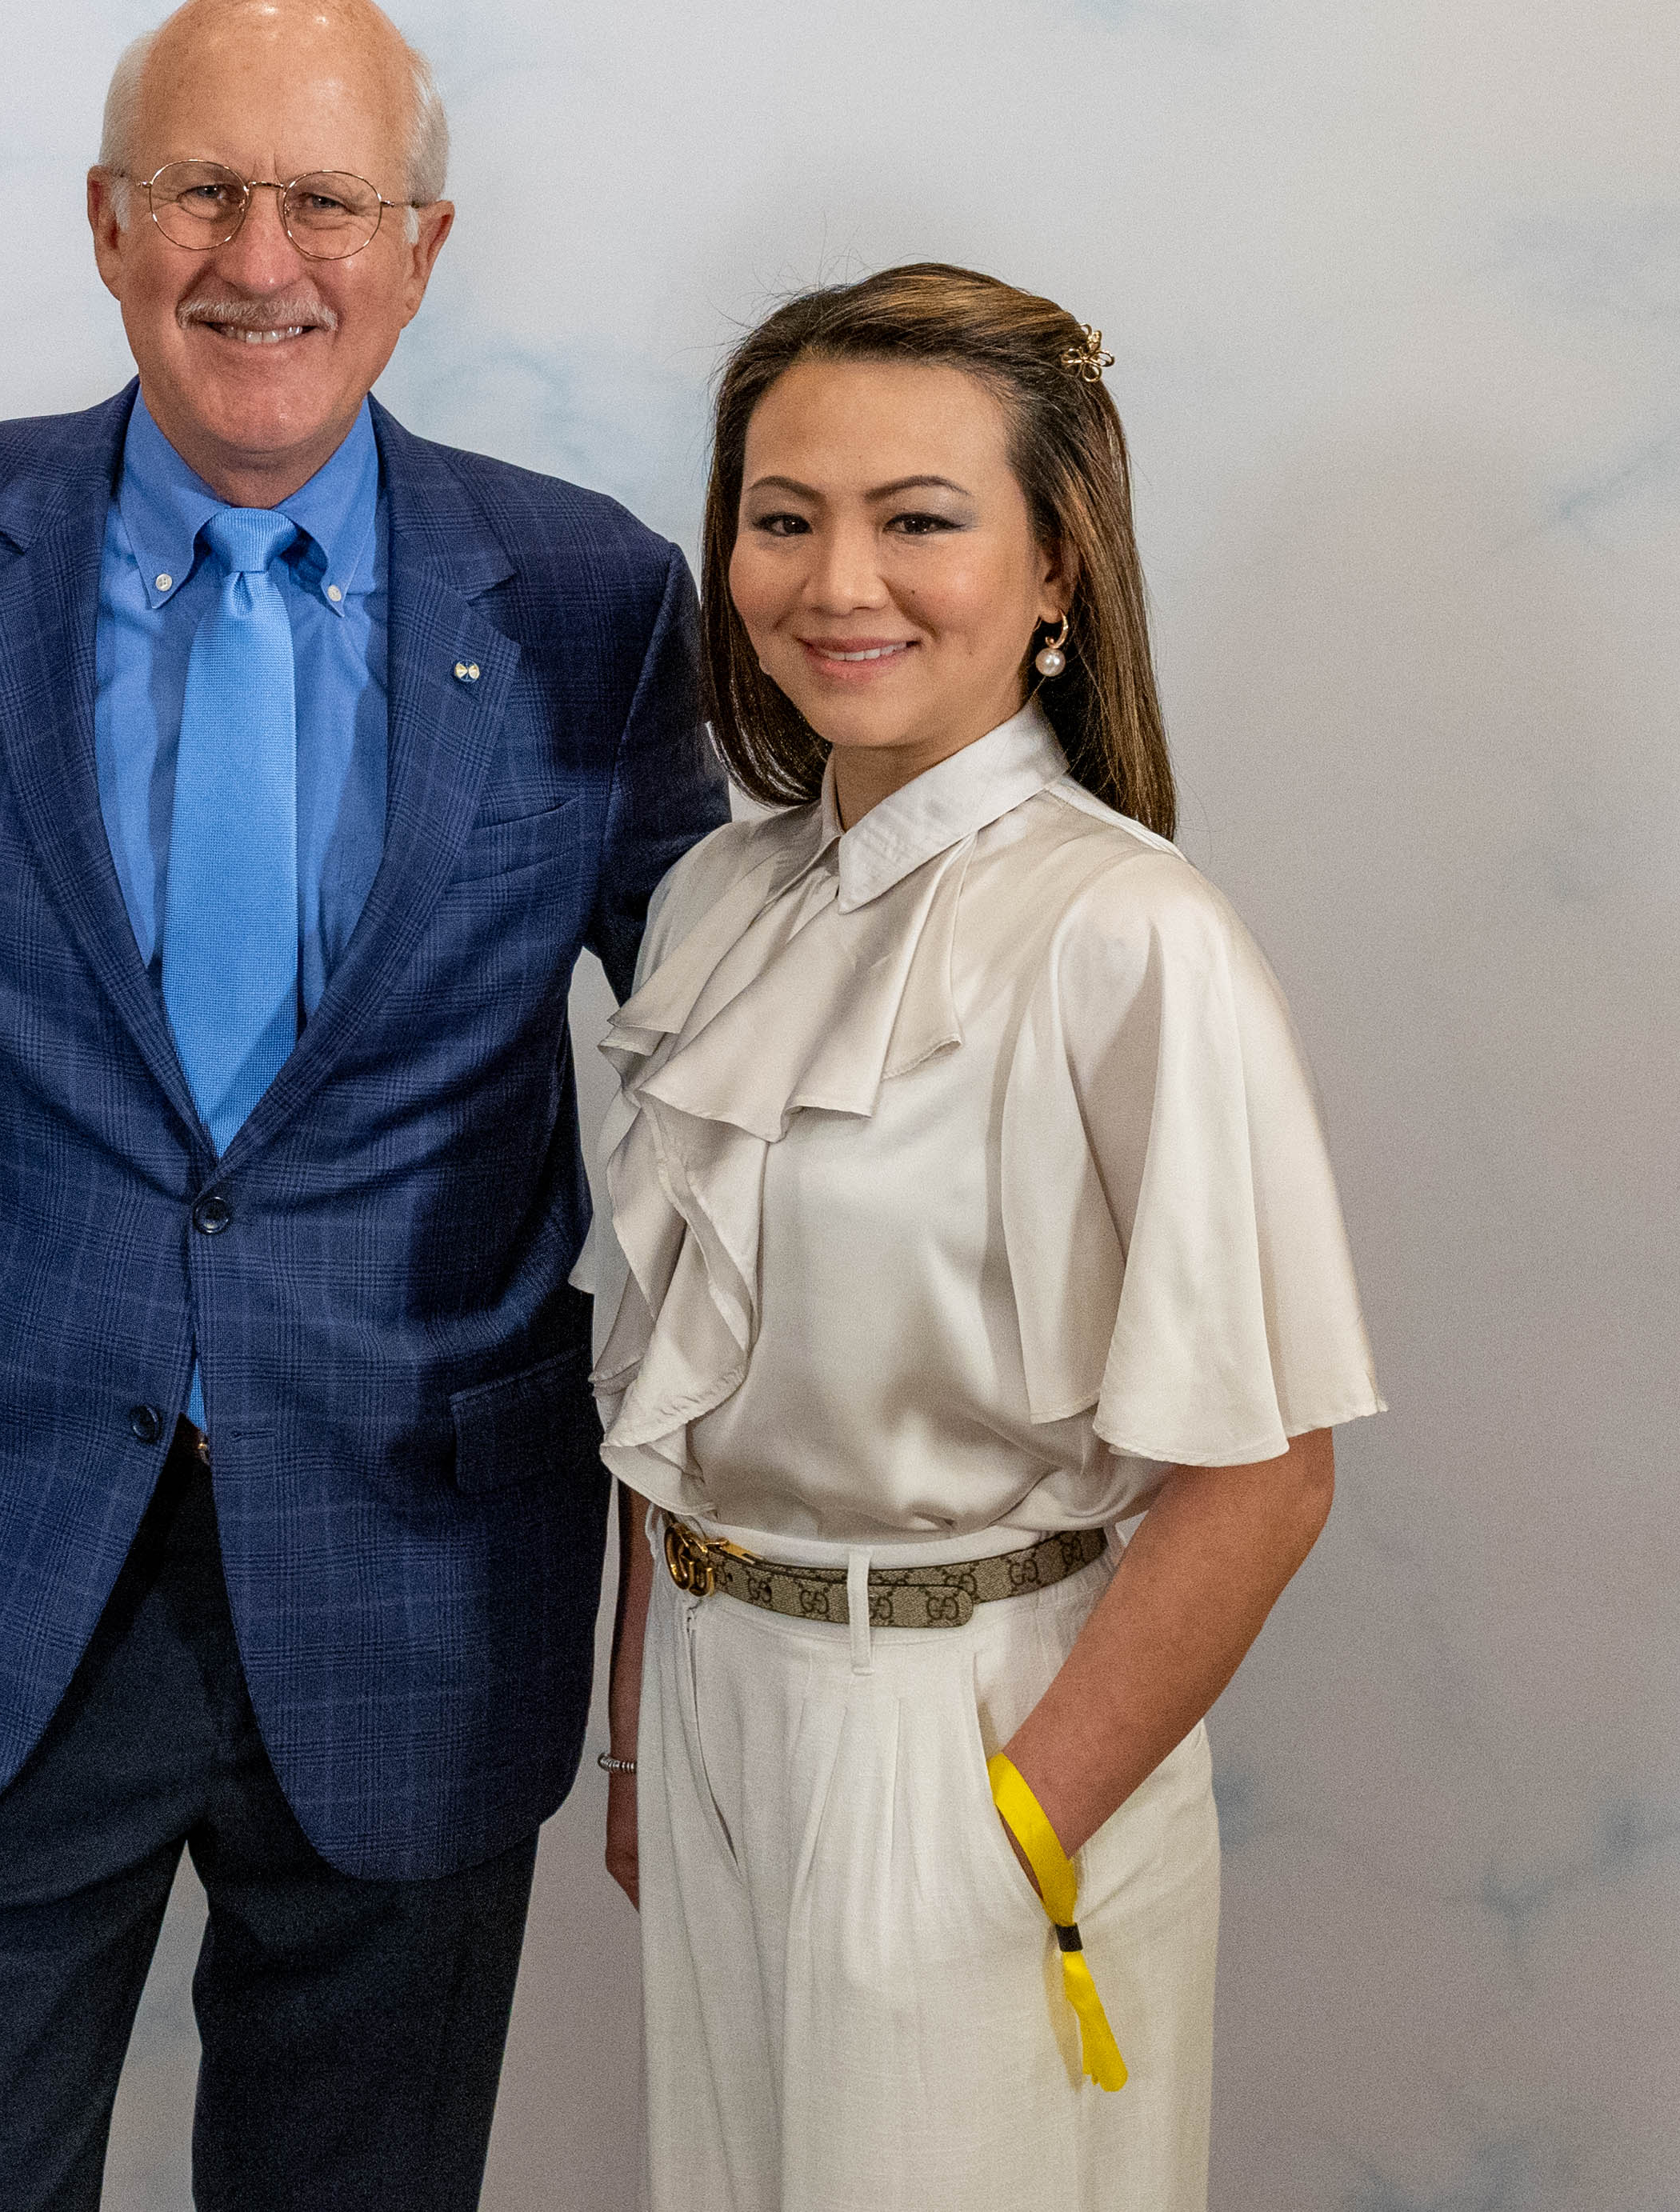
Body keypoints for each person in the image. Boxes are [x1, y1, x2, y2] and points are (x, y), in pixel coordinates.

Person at [0, 0, 726, 2212]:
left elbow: (744, 1055)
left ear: (420, 248)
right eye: (203, 190)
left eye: (327, 200)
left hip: (422, 1569)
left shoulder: (595, 596)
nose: (260, 256)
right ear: (105, 222)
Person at [588, 262, 1382, 2211]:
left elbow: (1267, 1473)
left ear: (1055, 567)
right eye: (783, 519)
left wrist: (1020, 1816)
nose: (835, 582)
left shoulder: (1129, 936)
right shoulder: (712, 904)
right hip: (707, 1705)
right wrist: (633, 1742)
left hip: (961, 1714)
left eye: (918, 519)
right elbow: (668, 1379)